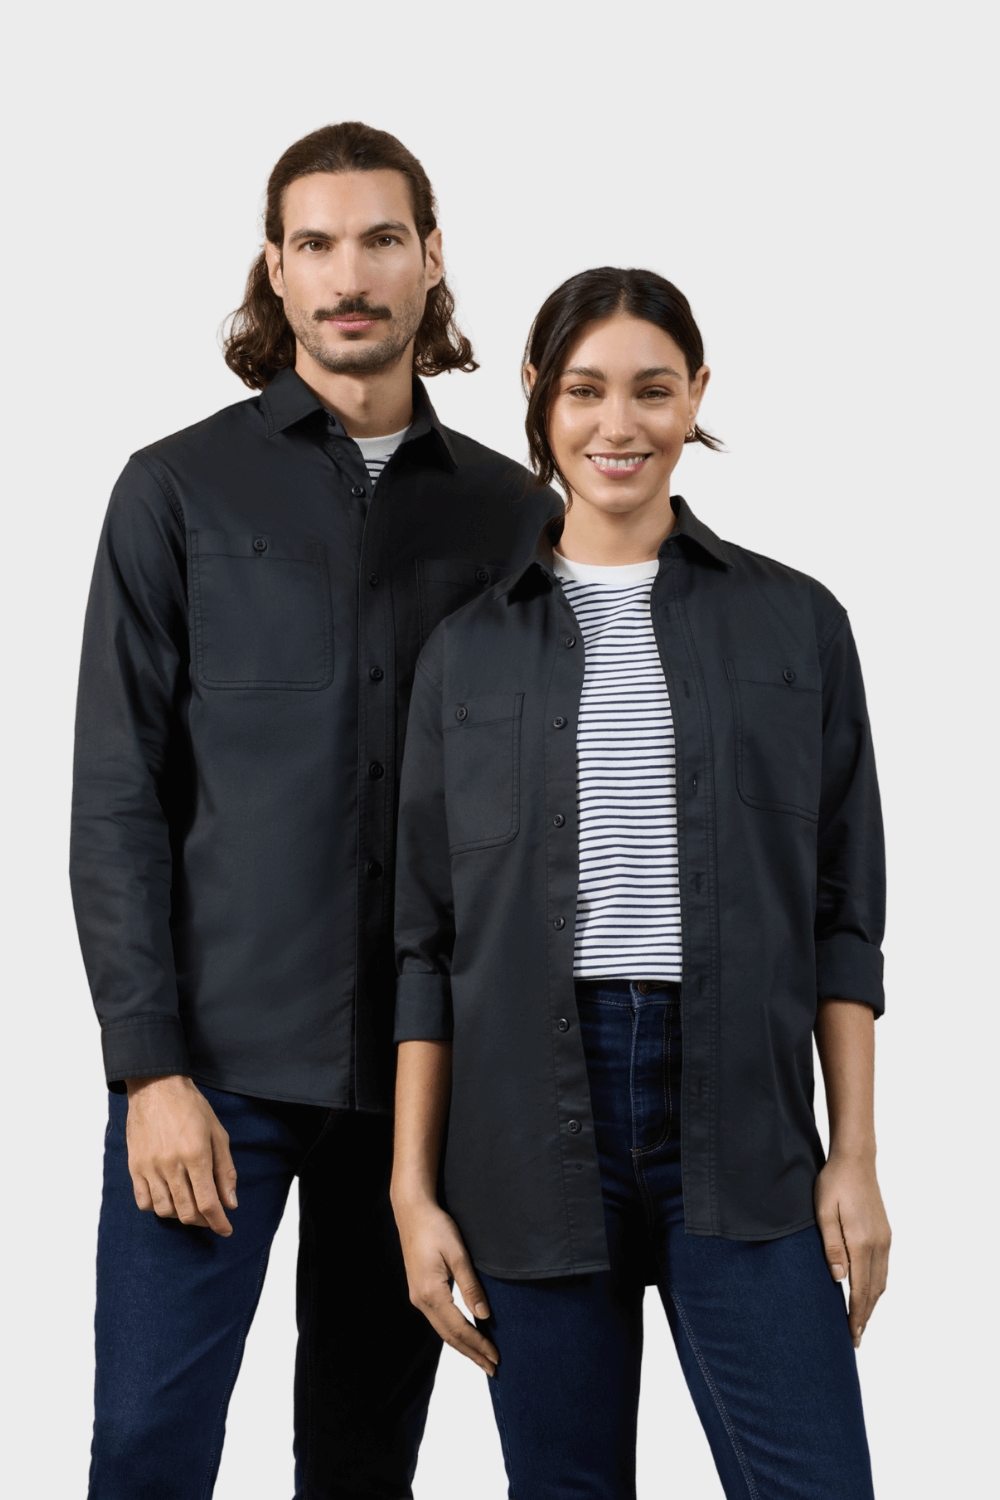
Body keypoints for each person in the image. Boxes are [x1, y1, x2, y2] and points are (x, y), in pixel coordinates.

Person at [70, 121, 558, 1499]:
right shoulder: (174, 491)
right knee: (147, 1448)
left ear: (432, 258)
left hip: (418, 1080)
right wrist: (148, 1071)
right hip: (213, 1075)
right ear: (275, 268)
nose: (351, 276)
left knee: (362, 1463)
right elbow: (116, 794)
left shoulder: (512, 516)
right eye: (319, 244)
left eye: (382, 240)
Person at [390, 267, 891, 1499]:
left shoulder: (797, 625)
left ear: (696, 395)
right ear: (537, 396)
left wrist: (855, 1155)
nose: (618, 425)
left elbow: (842, 918)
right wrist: (411, 1189)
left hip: (743, 1123)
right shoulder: (466, 652)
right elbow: (427, 944)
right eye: (585, 391)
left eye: (652, 390)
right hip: (523, 1128)